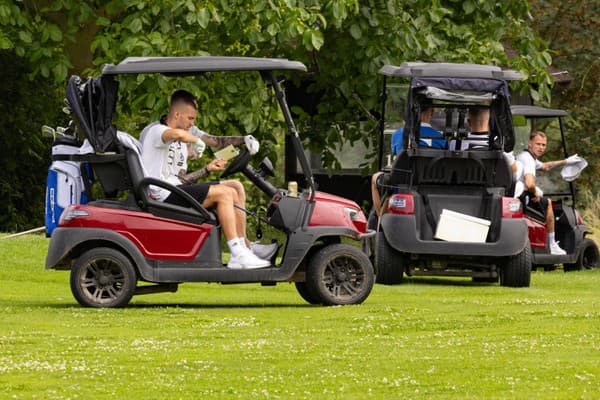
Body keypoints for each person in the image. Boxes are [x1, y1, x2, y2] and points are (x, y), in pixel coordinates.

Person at [140, 90, 275, 269]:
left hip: (175, 190)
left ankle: (245, 247)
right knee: (225, 194)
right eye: (190, 118)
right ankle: (236, 254)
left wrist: (242, 141)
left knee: (235, 186)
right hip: (160, 196)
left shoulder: (185, 135)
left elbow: (185, 176)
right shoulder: (157, 131)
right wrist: (195, 141)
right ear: (177, 114)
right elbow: (176, 135)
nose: (192, 123)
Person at [371, 105, 445, 217]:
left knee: (375, 178)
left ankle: (381, 218)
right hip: (432, 184)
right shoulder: (441, 138)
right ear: (432, 112)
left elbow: (397, 156)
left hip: (404, 184)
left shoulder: (399, 134)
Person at [515, 131, 580, 255]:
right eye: (538, 144)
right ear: (530, 143)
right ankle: (552, 244)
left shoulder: (527, 156)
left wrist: (566, 161)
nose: (541, 147)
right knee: (548, 203)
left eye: (544, 145)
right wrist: (535, 194)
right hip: (522, 196)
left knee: (543, 198)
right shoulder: (528, 160)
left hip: (520, 193)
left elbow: (545, 166)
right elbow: (529, 183)